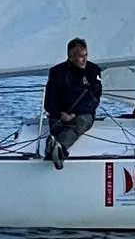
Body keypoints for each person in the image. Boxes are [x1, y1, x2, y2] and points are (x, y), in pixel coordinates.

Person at [43, 38, 102, 169]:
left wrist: (74, 113)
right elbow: (49, 99)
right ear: (70, 57)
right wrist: (60, 113)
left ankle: (58, 147)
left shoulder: (93, 71)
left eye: (86, 55)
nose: (85, 59)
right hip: (60, 115)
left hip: (82, 115)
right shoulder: (57, 72)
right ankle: (54, 149)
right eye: (81, 57)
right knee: (56, 123)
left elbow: (94, 99)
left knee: (80, 122)